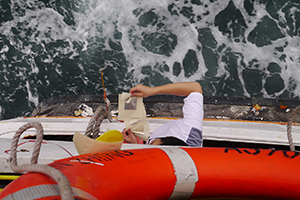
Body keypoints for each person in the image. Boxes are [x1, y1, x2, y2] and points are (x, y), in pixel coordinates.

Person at [122, 82, 203, 146]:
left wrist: (134, 144)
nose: (151, 145)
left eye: (152, 144)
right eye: (152, 144)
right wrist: (151, 91)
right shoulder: (191, 132)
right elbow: (195, 88)